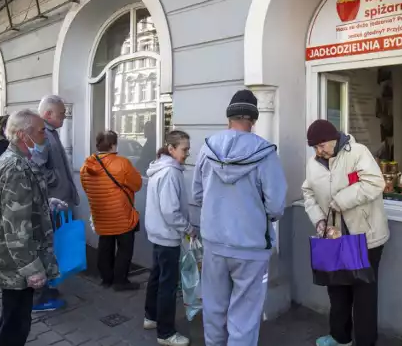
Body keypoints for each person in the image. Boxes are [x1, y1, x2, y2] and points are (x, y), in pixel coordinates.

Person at [192, 89, 287, 346]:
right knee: (244, 314)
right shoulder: (265, 153)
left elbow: (197, 194)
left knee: (213, 307)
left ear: (229, 117)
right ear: (253, 120)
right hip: (250, 246)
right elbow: (276, 206)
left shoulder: (207, 148)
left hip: (214, 242)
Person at [0, 109, 66, 346]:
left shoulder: (16, 160)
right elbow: (15, 225)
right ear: (23, 135)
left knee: (12, 319)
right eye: (40, 131)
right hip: (14, 263)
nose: (45, 136)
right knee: (16, 324)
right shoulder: (16, 166)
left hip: (11, 260)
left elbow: (17, 205)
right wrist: (32, 269)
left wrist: (45, 204)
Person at [301, 119, 389, 346]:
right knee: (337, 290)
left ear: (334, 138)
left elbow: (374, 182)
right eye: (315, 147)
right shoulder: (313, 163)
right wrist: (319, 220)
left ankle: (365, 342)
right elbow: (308, 193)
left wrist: (341, 200)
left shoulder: (357, 152)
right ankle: (340, 338)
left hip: (364, 237)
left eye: (322, 145)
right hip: (334, 237)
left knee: (364, 296)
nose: (319, 151)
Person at [144, 130, 194, 346]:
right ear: (172, 149)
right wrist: (188, 228)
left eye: (188, 149)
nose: (187, 154)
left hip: (158, 233)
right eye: (184, 149)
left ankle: (151, 317)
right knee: (168, 284)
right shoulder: (171, 172)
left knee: (157, 277)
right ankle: (165, 333)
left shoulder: (160, 168)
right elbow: (171, 211)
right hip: (167, 235)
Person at [33, 95, 80, 311]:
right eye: (61, 114)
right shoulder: (41, 135)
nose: (64, 117)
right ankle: (41, 296)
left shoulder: (49, 133)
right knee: (46, 248)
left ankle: (49, 287)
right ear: (48, 114)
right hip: (51, 203)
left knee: (53, 248)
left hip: (56, 202)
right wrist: (58, 181)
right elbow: (37, 168)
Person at [80, 130, 142, 291]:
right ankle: (120, 281)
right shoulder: (122, 163)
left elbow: (87, 188)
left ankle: (106, 279)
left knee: (105, 245)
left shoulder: (86, 166)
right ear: (114, 144)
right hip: (122, 214)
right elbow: (137, 185)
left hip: (100, 213)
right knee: (124, 248)